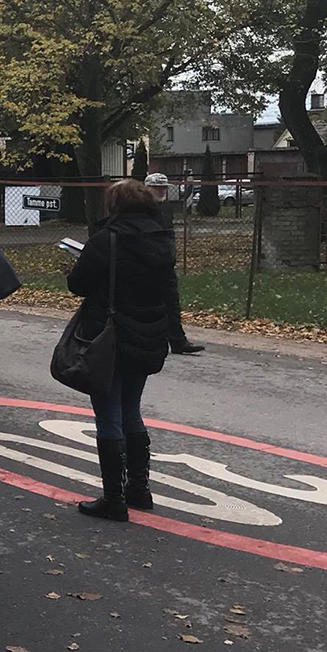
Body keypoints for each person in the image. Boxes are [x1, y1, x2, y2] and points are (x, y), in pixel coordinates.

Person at [69, 179, 177, 521]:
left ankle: (113, 497)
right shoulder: (163, 238)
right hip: (148, 333)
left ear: (115, 205)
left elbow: (78, 283)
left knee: (108, 413)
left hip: (110, 335)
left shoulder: (107, 239)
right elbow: (168, 287)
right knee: (131, 409)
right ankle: (139, 488)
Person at [145, 172, 205, 355]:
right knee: (148, 304)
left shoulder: (166, 209)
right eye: (157, 188)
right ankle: (148, 339)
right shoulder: (141, 210)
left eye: (163, 188)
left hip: (165, 264)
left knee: (172, 303)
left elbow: (168, 234)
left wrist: (170, 256)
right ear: (147, 189)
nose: (161, 191)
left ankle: (178, 340)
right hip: (147, 264)